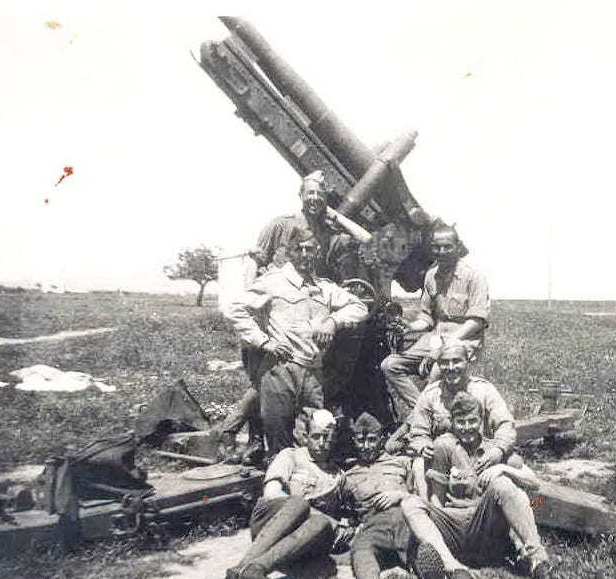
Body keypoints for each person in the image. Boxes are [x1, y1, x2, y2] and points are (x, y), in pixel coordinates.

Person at [213, 171, 370, 462]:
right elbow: (255, 263)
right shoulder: (280, 225)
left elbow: (366, 242)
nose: (314, 198)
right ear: (300, 196)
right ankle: (242, 437)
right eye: (309, 193)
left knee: (302, 413)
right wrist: (261, 328)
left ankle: (294, 457)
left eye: (320, 194)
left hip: (309, 346)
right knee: (266, 391)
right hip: (272, 323)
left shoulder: (327, 239)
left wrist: (332, 320)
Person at [400, 391, 555, 579]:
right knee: (410, 503)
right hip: (453, 525)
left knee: (503, 484)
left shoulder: (494, 450)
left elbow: (533, 483)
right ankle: (454, 569)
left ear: (481, 420)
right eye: (460, 422)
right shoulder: (444, 446)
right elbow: (437, 498)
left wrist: (502, 469)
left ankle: (538, 561)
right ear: (452, 422)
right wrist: (435, 530)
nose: (467, 427)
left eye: (472, 421)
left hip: (484, 525)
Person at [216, 408, 352, 579]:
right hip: (271, 525)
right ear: (306, 436)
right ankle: (242, 567)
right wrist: (314, 512)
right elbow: (272, 493)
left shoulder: (338, 476)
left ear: (334, 438)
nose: (321, 443)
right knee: (299, 504)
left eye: (327, 437)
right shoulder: (290, 456)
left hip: (298, 545)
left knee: (321, 522)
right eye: (316, 436)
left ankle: (255, 570)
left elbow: (346, 516)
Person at [380, 223, 489, 423]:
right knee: (390, 365)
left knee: (437, 371)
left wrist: (442, 348)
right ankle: (426, 412)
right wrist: (409, 327)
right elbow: (427, 318)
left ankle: (425, 418)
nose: (442, 252)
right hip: (436, 337)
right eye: (437, 247)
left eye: (447, 246)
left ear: (458, 247)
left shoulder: (474, 276)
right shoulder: (431, 276)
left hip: (464, 339)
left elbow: (477, 321)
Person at [326, 412, 418, 579]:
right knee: (362, 545)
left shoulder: (402, 463)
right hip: (373, 524)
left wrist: (400, 495)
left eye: (372, 440)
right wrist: (353, 527)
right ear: (354, 441)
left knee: (414, 540)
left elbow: (417, 495)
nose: (366, 446)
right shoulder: (348, 476)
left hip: (403, 515)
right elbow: (343, 511)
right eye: (361, 441)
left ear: (382, 440)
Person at [403, 336, 515, 473]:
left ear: (467, 363)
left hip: (480, 457)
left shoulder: (484, 390)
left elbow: (505, 424)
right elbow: (418, 432)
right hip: (444, 462)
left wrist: (498, 449)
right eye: (445, 362)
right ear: (438, 365)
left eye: (456, 361)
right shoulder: (430, 395)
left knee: (515, 463)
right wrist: (423, 447)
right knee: (418, 465)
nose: (451, 368)